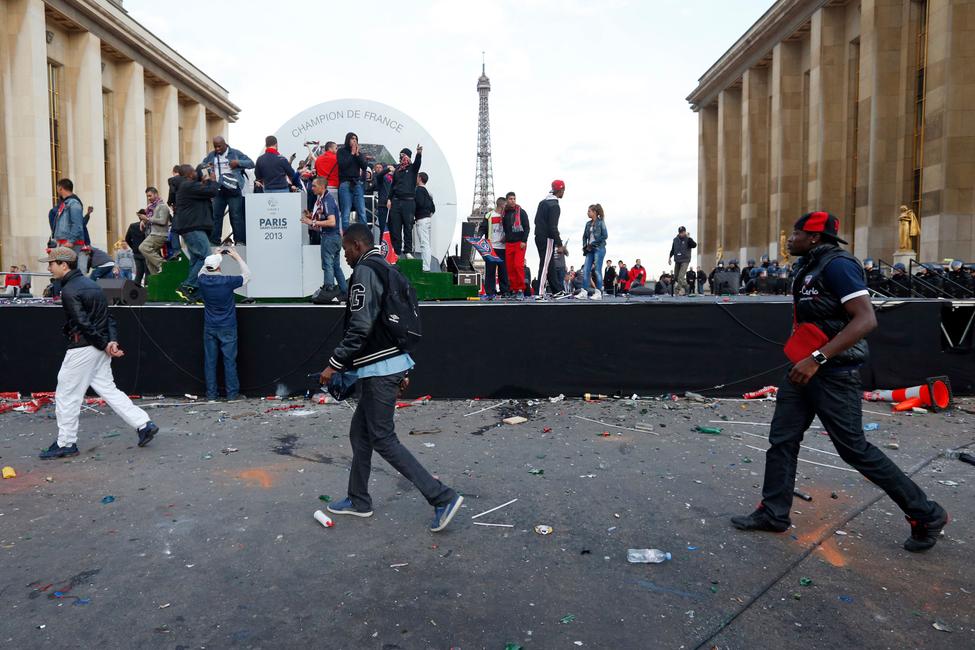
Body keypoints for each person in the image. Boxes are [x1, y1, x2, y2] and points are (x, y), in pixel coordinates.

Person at [731, 211, 948, 552]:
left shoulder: (838, 265)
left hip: (833, 374)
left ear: (814, 237)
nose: (789, 239)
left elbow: (866, 319)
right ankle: (773, 513)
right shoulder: (807, 266)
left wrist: (817, 359)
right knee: (782, 439)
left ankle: (926, 513)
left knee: (854, 449)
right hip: (802, 370)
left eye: (795, 233)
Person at [320, 224, 464, 532]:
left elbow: (361, 326)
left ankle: (442, 497)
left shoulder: (364, 272)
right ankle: (358, 499)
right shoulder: (388, 268)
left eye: (346, 249)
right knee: (360, 435)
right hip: (391, 364)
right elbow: (395, 325)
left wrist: (334, 364)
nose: (344, 255)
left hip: (379, 370)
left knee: (383, 438)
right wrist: (403, 369)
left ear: (357, 245)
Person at [38, 247, 158, 459]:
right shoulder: (93, 285)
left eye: (51, 263)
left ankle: (66, 443)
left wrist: (106, 344)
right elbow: (107, 318)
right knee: (108, 389)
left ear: (64, 265)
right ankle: (143, 424)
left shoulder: (69, 290)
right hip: (97, 346)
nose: (49, 267)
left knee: (67, 395)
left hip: (84, 348)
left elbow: (83, 324)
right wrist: (110, 342)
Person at [197, 248, 250, 401]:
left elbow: (202, 270)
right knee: (229, 361)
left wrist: (215, 254)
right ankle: (232, 395)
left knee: (210, 362)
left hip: (210, 326)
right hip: (227, 326)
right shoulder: (227, 281)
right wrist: (237, 257)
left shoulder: (202, 280)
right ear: (219, 267)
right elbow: (247, 275)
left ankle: (211, 395)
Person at [173, 164, 218, 302]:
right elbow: (212, 191)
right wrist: (212, 179)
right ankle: (188, 285)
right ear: (188, 174)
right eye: (193, 171)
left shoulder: (187, 187)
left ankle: (195, 294)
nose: (195, 173)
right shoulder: (188, 185)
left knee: (196, 260)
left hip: (190, 227)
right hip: (193, 227)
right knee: (207, 257)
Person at [201, 136, 254, 245]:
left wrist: (238, 162)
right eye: (215, 147)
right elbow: (201, 166)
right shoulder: (212, 155)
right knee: (216, 216)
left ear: (225, 144)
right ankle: (214, 242)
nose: (217, 149)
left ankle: (239, 241)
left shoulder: (235, 153)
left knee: (236, 216)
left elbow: (251, 163)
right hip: (218, 190)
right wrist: (207, 168)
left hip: (233, 189)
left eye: (219, 146)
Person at [301, 176, 345, 304]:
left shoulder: (327, 200)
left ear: (322, 187)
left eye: (314, 186)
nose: (312, 188)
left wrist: (312, 221)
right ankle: (344, 291)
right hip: (334, 237)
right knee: (336, 266)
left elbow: (332, 222)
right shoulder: (324, 199)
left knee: (328, 265)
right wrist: (311, 216)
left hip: (330, 237)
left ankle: (328, 290)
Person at [388, 145, 423, 257]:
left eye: (404, 155)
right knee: (395, 227)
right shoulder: (397, 170)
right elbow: (393, 185)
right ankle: (397, 251)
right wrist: (389, 199)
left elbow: (418, 163)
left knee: (408, 226)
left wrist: (419, 153)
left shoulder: (413, 168)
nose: (402, 157)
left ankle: (408, 250)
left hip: (408, 201)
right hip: (396, 201)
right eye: (401, 155)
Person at [534, 180, 567, 300]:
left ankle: (557, 290)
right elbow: (553, 227)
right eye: (564, 190)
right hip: (547, 238)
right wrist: (560, 244)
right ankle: (539, 293)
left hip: (538, 236)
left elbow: (536, 221)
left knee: (550, 264)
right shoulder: (555, 206)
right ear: (560, 190)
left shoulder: (542, 202)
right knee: (545, 265)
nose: (564, 192)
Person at [337, 132, 370, 232]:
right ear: (348, 140)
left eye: (356, 138)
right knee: (346, 212)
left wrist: (358, 154)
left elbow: (364, 166)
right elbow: (343, 165)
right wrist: (351, 154)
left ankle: (363, 236)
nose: (354, 140)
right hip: (345, 183)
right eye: (352, 138)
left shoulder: (358, 153)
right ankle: (347, 238)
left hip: (357, 184)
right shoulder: (341, 151)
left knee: (362, 211)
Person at [478, 197, 508, 300]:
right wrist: (479, 236)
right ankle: (491, 292)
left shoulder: (506, 215)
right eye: (505, 205)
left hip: (503, 247)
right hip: (491, 246)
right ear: (501, 205)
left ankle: (503, 291)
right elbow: (483, 228)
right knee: (490, 271)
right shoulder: (489, 215)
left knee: (503, 270)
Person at [502, 191, 531, 299]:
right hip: (509, 243)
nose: (513, 200)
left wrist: (524, 240)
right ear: (507, 201)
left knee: (518, 266)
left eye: (514, 198)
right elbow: (505, 228)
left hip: (519, 243)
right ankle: (514, 289)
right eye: (510, 199)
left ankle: (520, 289)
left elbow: (527, 227)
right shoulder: (504, 214)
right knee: (510, 268)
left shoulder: (521, 212)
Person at [576, 204, 607, 300]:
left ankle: (598, 293)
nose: (587, 213)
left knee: (597, 270)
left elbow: (605, 236)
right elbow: (584, 236)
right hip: (589, 250)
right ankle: (584, 292)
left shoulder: (601, 222)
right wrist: (585, 246)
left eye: (589, 211)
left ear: (594, 212)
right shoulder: (588, 224)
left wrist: (593, 243)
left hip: (599, 249)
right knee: (585, 270)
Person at [139, 187, 172, 276]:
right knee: (148, 259)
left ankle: (163, 265)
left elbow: (162, 221)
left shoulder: (162, 206)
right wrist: (143, 221)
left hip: (160, 235)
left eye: (150, 195)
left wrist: (148, 219)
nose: (149, 198)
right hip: (154, 234)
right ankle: (156, 278)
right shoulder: (152, 208)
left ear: (156, 194)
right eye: (147, 196)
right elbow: (152, 220)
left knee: (143, 247)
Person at [414, 172, 436, 271]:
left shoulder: (418, 190)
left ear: (420, 178)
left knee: (424, 244)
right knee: (426, 243)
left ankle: (426, 267)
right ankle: (426, 266)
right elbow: (433, 209)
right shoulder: (428, 192)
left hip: (421, 219)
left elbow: (418, 203)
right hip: (427, 219)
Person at [668, 226, 697, 296]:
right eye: (680, 232)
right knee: (676, 277)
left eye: (683, 232)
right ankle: (687, 286)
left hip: (685, 260)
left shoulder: (688, 239)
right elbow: (672, 249)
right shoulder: (675, 240)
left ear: (685, 232)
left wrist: (689, 238)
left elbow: (694, 245)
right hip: (677, 260)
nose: (682, 234)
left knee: (681, 276)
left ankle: (677, 290)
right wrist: (669, 258)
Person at [124, 211, 147, 285]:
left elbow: (127, 239)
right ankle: (148, 291)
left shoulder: (132, 226)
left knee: (139, 273)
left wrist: (134, 247)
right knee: (148, 272)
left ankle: (136, 293)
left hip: (137, 252)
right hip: (146, 252)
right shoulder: (148, 226)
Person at [372, 162, 392, 233]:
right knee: (383, 228)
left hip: (391, 205)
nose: (378, 169)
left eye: (380, 167)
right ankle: (383, 243)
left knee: (391, 227)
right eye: (377, 167)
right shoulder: (378, 177)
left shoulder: (389, 178)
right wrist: (388, 169)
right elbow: (380, 175)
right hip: (383, 205)